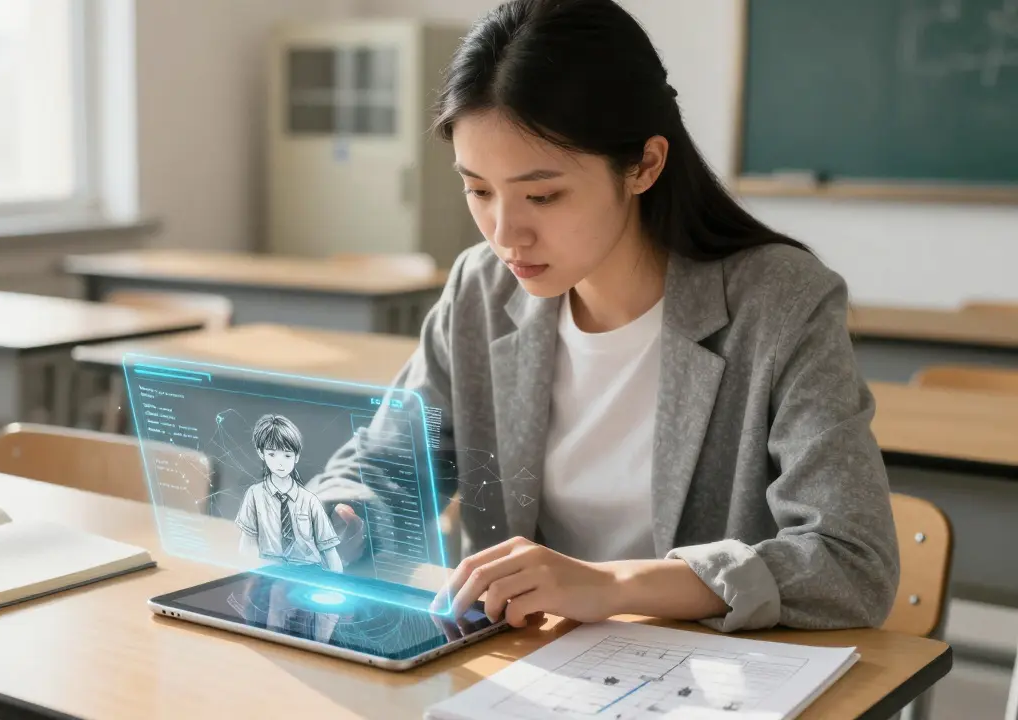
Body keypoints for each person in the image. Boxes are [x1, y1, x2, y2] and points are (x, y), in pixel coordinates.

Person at [309, 0, 898, 633]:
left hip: (705, 682)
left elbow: (851, 561)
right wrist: (336, 516)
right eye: (478, 190)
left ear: (644, 164)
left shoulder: (779, 303)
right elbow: (385, 469)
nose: (506, 234)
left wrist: (613, 585)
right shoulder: (479, 290)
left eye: (543, 195)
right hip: (521, 671)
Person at [236, 414, 344, 572]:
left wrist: (337, 584)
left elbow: (329, 549)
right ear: (261, 453)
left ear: (296, 456)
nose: (280, 463)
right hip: (270, 570)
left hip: (308, 571)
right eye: (272, 454)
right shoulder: (255, 494)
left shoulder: (309, 500)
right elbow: (247, 541)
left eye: (287, 455)